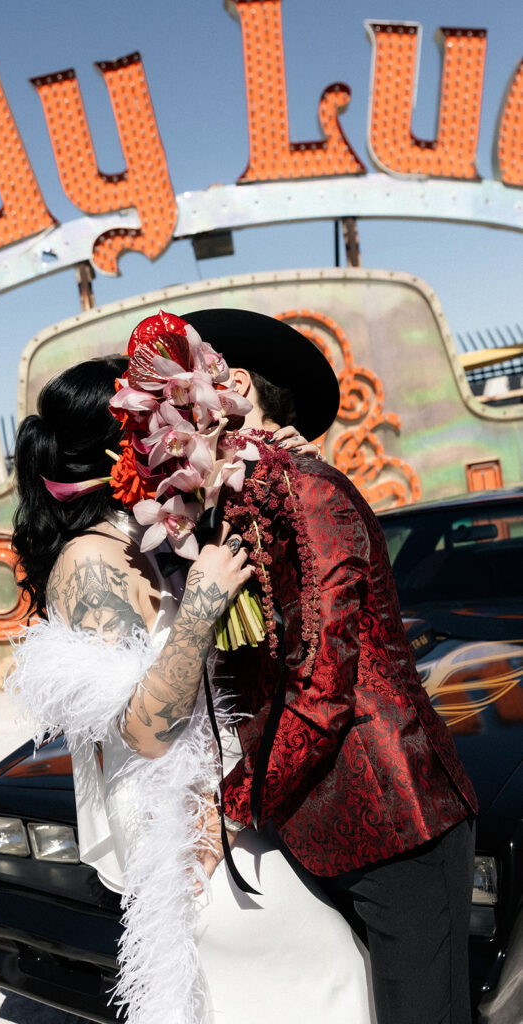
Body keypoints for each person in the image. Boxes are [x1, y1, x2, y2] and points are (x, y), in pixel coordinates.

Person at [8, 353, 375, 1023]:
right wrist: (203, 604)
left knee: (278, 991)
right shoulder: (91, 560)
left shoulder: (144, 532)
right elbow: (143, 728)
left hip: (230, 805)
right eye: (165, 417)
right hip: (182, 824)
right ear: (130, 443)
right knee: (323, 967)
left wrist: (282, 460)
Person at [181, 307, 479, 1024]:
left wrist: (237, 801)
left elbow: (321, 685)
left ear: (236, 388)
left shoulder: (305, 491)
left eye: (181, 395)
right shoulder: (236, 505)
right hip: (315, 819)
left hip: (396, 823)